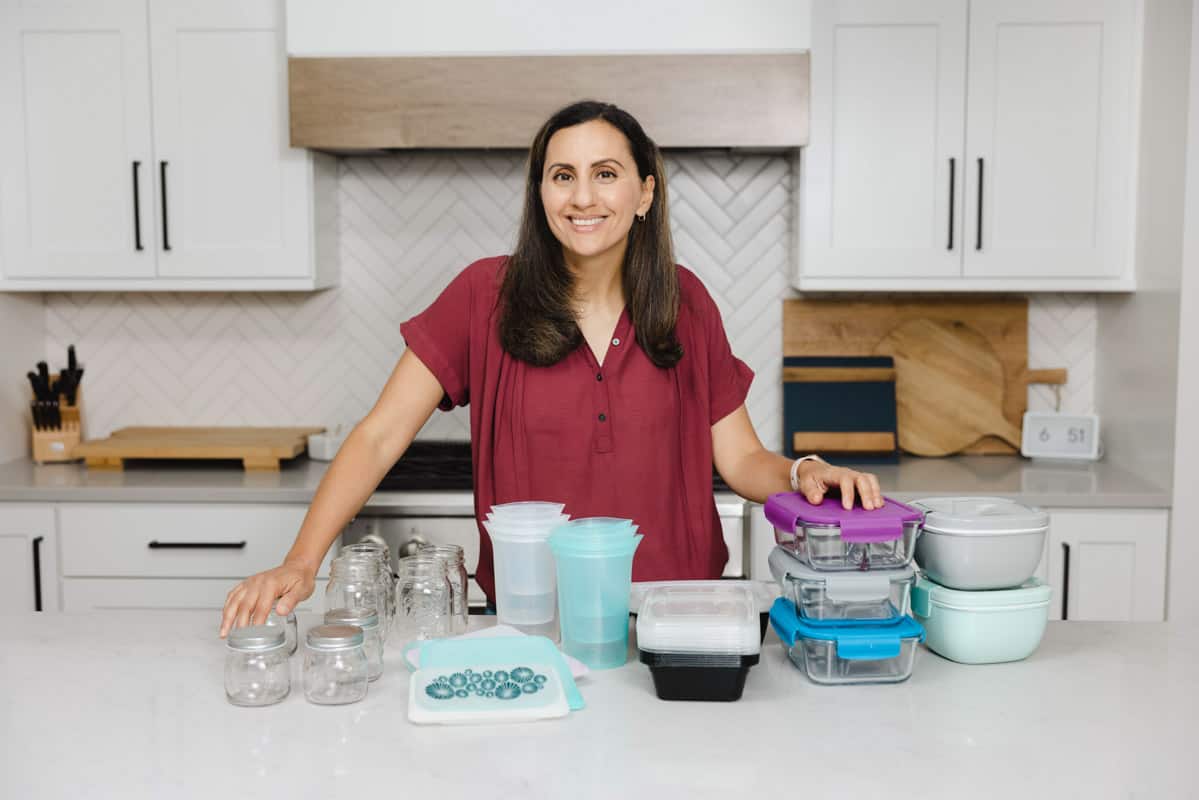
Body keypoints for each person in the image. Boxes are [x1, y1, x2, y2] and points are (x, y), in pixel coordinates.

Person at [219, 100, 882, 637]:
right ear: (540, 193)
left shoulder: (685, 302)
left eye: (605, 173)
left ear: (644, 192)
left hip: (677, 614)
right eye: (561, 175)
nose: (582, 196)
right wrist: (301, 562)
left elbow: (740, 461)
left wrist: (802, 474)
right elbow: (379, 436)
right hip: (536, 620)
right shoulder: (483, 296)